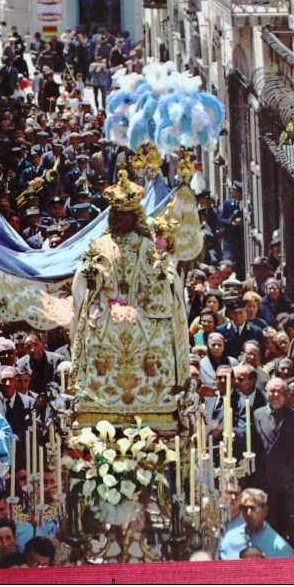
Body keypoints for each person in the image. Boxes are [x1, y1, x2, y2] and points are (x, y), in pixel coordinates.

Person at [70, 170, 189, 423]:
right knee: (97, 325)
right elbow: (94, 271)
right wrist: (96, 277)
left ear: (135, 218)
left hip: (143, 306)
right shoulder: (101, 244)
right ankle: (96, 394)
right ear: (114, 217)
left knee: (152, 329)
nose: (123, 221)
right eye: (119, 217)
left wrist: (161, 277)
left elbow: (159, 270)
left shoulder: (146, 245)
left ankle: (155, 395)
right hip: (107, 305)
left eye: (128, 217)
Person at [252, 378, 294, 556]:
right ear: (266, 393)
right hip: (268, 483)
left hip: (290, 483)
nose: (275, 395)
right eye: (271, 391)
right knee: (270, 526)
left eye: (279, 391)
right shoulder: (257, 415)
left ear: (286, 394)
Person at [215, 488, 294, 560]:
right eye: (244, 508)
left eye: (253, 508)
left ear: (265, 511)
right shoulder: (230, 539)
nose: (249, 513)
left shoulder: (280, 548)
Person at [218, 180, 245, 280]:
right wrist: (231, 222)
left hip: (242, 243)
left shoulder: (246, 205)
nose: (232, 191)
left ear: (239, 192)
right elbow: (220, 219)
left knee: (240, 268)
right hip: (229, 241)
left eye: (234, 190)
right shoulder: (228, 204)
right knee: (227, 264)